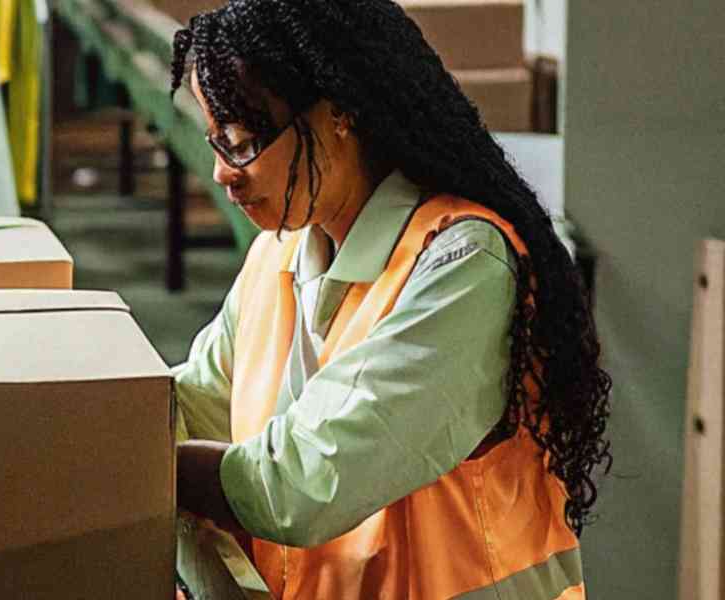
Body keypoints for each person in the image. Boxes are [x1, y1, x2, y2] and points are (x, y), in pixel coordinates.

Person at [166, 1, 611, 597]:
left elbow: (306, 483)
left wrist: (157, 468)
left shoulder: (464, 266)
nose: (224, 173)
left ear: (338, 115)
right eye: (215, 141)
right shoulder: (279, 253)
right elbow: (197, 400)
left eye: (243, 142)